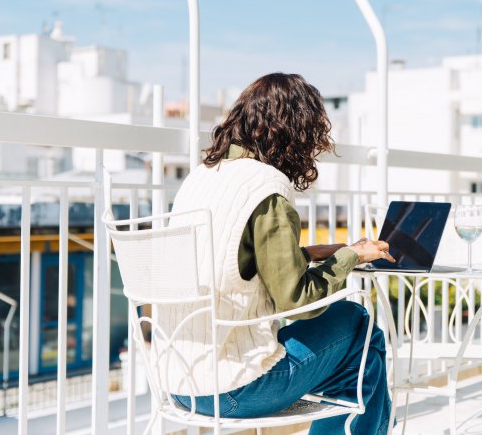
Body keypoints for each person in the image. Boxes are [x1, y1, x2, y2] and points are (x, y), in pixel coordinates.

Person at [166, 72, 395, 434]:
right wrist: (350, 256)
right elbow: (296, 301)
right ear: (295, 131)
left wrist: (312, 253)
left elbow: (232, 262)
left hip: (179, 382)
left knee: (353, 360)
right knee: (358, 326)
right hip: (234, 389)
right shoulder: (267, 188)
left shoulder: (200, 178)